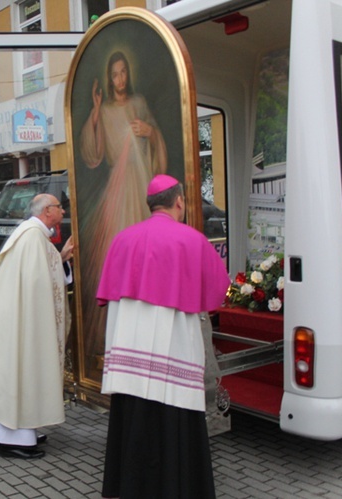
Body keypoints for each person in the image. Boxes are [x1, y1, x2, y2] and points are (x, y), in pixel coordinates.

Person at [95, 174, 230, 498]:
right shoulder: (191, 240)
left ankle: (131, 485)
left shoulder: (122, 240)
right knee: (173, 418)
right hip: (174, 350)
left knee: (136, 416)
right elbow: (218, 291)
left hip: (129, 353)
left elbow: (105, 296)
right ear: (179, 201)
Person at [78, 50, 169, 375]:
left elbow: (157, 145)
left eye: (123, 73)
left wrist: (150, 131)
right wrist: (94, 111)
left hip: (142, 184)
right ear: (109, 77)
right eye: (114, 74)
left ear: (128, 74)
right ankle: (119, 337)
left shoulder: (139, 102)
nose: (119, 79)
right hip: (117, 193)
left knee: (148, 256)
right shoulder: (102, 110)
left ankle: (148, 331)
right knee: (118, 258)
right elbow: (94, 154)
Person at [0, 193, 73, 460]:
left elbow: (39, 277)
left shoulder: (31, 235)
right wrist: (61, 260)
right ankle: (12, 439)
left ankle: (22, 430)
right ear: (48, 211)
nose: (62, 212)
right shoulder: (33, 238)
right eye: (60, 208)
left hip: (15, 317)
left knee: (18, 371)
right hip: (24, 321)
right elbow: (40, 284)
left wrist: (61, 258)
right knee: (21, 370)